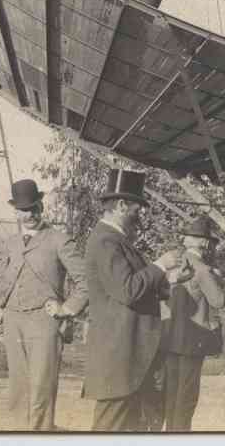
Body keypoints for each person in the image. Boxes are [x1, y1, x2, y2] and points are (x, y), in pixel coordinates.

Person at [83, 168, 192, 431]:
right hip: (119, 352)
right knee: (111, 425)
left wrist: (172, 280)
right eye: (137, 207)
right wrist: (160, 264)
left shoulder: (117, 240)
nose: (140, 214)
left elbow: (135, 285)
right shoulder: (106, 242)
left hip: (128, 351)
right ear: (121, 205)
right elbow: (128, 290)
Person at [0, 178, 88, 431]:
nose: (30, 214)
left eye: (34, 207)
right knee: (19, 388)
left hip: (44, 323)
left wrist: (67, 309)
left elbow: (85, 281)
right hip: (13, 321)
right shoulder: (10, 243)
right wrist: (0, 307)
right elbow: (1, 278)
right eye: (24, 209)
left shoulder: (59, 240)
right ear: (16, 211)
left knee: (41, 388)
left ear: (41, 207)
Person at [160, 215, 225, 431]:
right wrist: (219, 278)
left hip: (169, 336)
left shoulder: (171, 264)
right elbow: (219, 300)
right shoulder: (203, 270)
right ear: (205, 243)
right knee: (187, 397)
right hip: (192, 340)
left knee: (170, 394)